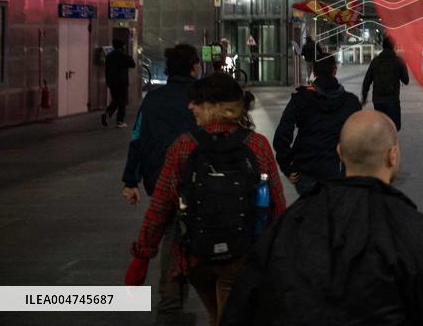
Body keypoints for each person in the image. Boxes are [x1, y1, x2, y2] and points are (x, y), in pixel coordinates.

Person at [220, 111, 423, 325]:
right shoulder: (416, 233)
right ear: (392, 155)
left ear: (339, 152)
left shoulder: (290, 222)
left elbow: (241, 306)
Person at [124, 74, 286, 326]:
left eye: (197, 102)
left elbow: (160, 206)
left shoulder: (183, 146)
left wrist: (142, 255)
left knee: (217, 313)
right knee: (229, 313)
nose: (190, 107)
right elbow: (277, 204)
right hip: (243, 254)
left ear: (214, 107)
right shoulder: (257, 145)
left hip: (197, 257)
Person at [121, 44, 201, 325]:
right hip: (195, 184)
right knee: (179, 242)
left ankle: (173, 307)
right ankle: (171, 308)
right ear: (194, 67)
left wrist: (130, 180)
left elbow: (137, 137)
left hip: (159, 181)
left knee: (173, 234)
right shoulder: (201, 98)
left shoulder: (153, 99)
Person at [273, 53, 361, 196]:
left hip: (306, 171)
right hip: (338, 172)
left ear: (314, 72)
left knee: (310, 208)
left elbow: (282, 134)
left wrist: (287, 166)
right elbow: (360, 140)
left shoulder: (301, 98)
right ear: (334, 71)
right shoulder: (351, 102)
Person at [361, 36, 410, 130]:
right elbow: (406, 81)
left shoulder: (375, 61)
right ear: (394, 46)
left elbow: (366, 81)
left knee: (381, 127)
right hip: (393, 100)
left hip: (378, 101)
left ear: (383, 46)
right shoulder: (398, 61)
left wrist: (364, 98)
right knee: (394, 127)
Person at [103, 39, 137, 128]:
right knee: (121, 101)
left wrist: (108, 81)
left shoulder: (109, 56)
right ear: (122, 46)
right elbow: (133, 64)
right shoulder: (124, 56)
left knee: (115, 99)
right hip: (122, 82)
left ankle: (107, 114)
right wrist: (129, 55)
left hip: (112, 82)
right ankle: (120, 121)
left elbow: (106, 70)